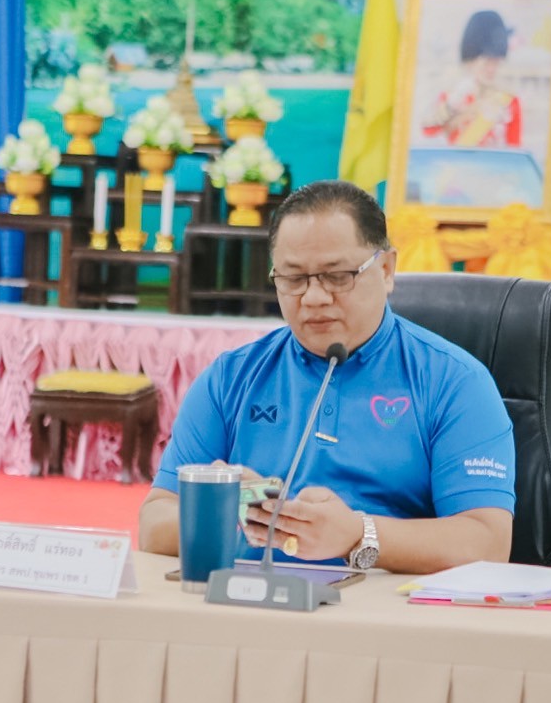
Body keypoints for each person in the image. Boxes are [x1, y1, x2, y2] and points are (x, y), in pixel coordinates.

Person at [138, 181, 515, 574]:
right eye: (293, 278)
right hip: (249, 599)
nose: (314, 298)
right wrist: (225, 509)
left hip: (382, 605)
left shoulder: (455, 382)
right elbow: (154, 523)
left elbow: (487, 542)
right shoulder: (231, 377)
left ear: (386, 270)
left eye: (337, 276)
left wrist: (358, 534)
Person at [421, 9, 523, 148]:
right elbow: (428, 132)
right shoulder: (452, 97)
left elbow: (514, 150)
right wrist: (451, 106)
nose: (492, 69)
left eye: (496, 62)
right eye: (486, 62)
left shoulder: (509, 102)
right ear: (471, 61)